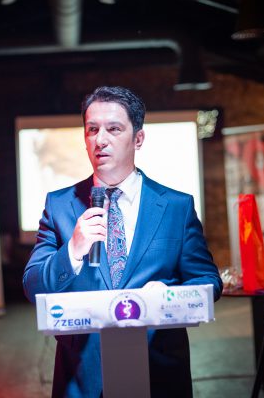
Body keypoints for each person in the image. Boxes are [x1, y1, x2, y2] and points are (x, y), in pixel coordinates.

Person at [23, 86, 223, 398]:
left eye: (113, 129)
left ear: (138, 138)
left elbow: (208, 281)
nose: (100, 140)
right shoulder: (60, 205)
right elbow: (33, 287)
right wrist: (72, 250)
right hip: (85, 375)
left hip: (158, 368)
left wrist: (169, 297)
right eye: (92, 130)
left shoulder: (175, 206)